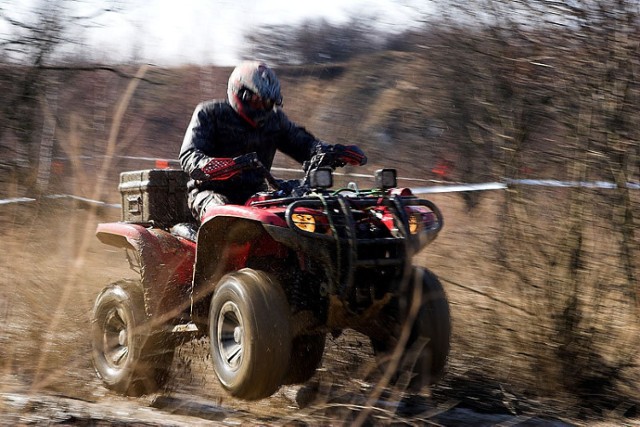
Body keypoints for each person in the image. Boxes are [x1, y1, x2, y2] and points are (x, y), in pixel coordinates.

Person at [179, 60, 367, 221]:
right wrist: (211, 166)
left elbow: (305, 145)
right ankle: (217, 264)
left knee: (308, 208)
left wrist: (332, 151)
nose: (262, 108)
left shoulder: (274, 121)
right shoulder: (210, 113)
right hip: (208, 194)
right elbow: (189, 155)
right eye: (256, 101)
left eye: (268, 103)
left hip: (256, 195)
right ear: (239, 93)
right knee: (225, 214)